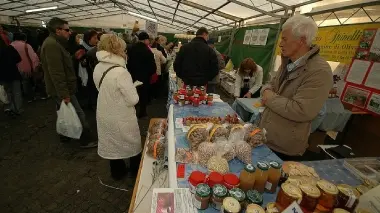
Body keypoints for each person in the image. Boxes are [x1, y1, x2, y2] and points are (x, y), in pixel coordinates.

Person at [259, 15, 332, 160]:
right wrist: (266, 91)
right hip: (266, 137)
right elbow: (269, 84)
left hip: (285, 147)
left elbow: (302, 110)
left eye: (285, 39)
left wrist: (269, 97)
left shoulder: (319, 71)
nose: (280, 44)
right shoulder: (288, 62)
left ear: (302, 40)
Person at [40, 17, 97, 148]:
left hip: (61, 88)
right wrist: (64, 94)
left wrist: (73, 58)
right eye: (66, 30)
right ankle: (85, 140)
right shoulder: (52, 45)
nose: (69, 32)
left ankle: (64, 135)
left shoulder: (55, 43)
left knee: (63, 112)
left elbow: (60, 65)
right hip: (63, 89)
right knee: (78, 113)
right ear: (57, 30)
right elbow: (57, 73)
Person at [93, 34, 141, 180]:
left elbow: (101, 89)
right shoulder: (121, 71)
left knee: (112, 144)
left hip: (105, 112)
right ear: (118, 49)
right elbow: (133, 99)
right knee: (132, 143)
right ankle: (135, 172)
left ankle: (117, 173)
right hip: (121, 116)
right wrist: (134, 88)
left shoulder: (98, 66)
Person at [127, 31, 156, 118]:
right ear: (146, 40)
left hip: (132, 75)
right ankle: (142, 113)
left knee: (132, 93)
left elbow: (128, 62)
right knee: (143, 95)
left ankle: (131, 113)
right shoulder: (147, 51)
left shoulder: (131, 48)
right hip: (144, 77)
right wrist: (149, 74)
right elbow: (152, 67)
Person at [11, 32, 40, 103]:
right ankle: (29, 98)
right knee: (26, 82)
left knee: (17, 84)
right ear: (24, 38)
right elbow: (33, 57)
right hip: (26, 68)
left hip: (14, 68)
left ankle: (19, 98)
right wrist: (36, 66)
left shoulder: (10, 45)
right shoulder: (26, 46)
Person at [0, 42, 22, 116]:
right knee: (17, 92)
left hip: (2, 75)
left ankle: (9, 108)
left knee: (7, 93)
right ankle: (18, 109)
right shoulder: (9, 48)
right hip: (13, 73)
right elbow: (18, 59)